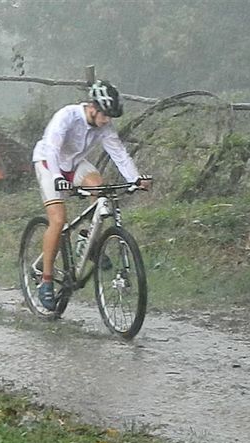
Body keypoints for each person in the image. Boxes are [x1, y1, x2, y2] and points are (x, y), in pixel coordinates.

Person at [31, 79, 151, 311]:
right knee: (58, 220)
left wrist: (135, 179)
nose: (107, 121)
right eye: (105, 115)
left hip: (74, 164)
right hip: (48, 163)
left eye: (110, 117)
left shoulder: (104, 127)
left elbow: (120, 155)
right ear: (92, 107)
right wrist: (57, 178)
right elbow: (53, 150)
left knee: (99, 186)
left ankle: (88, 239)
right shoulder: (66, 116)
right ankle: (45, 281)